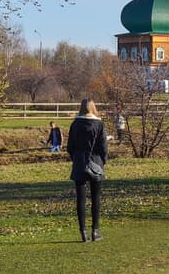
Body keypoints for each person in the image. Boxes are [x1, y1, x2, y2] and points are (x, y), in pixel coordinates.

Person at [66, 98, 108, 243]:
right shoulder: (99, 124)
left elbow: (70, 146)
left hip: (79, 162)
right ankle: (95, 230)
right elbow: (103, 146)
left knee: (80, 199)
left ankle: (83, 231)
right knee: (96, 198)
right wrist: (103, 162)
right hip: (96, 163)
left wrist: (76, 158)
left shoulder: (75, 124)